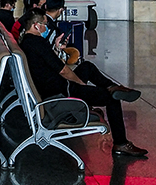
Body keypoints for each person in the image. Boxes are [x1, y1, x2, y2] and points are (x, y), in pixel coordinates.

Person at [18, 9, 147, 157]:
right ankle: (121, 143)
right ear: (36, 25)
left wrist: (56, 49)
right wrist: (81, 85)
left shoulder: (27, 42)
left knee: (87, 67)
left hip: (54, 86)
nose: (46, 28)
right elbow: (63, 71)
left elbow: (48, 65)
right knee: (111, 99)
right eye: (44, 25)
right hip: (60, 93)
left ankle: (112, 87)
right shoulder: (38, 43)